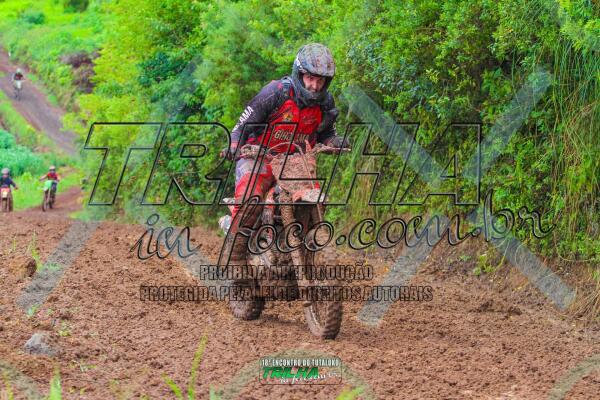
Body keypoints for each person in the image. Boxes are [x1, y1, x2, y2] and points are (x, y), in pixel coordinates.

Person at [221, 43, 350, 234]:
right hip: (260, 158)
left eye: (320, 81)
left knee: (316, 202)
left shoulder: (326, 102)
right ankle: (235, 246)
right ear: (299, 74)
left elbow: (327, 134)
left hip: (296, 164)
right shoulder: (276, 92)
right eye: (310, 78)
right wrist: (233, 145)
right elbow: (241, 127)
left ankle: (306, 240)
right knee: (250, 201)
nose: (315, 86)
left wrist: (335, 142)